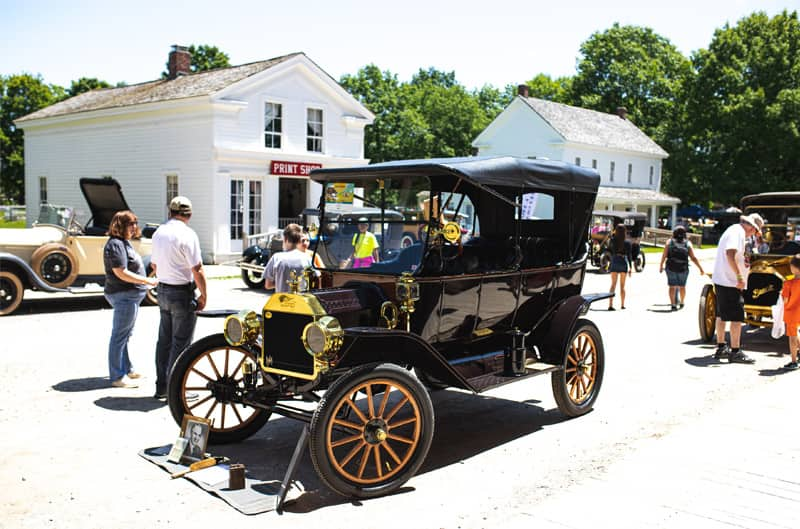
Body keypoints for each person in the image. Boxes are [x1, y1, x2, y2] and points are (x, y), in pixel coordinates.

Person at [151, 196, 207, 400]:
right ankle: (178, 389)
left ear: (170, 212)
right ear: (189, 214)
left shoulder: (159, 232)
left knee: (164, 340)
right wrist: (204, 294)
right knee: (181, 343)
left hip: (163, 289)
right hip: (181, 291)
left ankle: (162, 386)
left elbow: (154, 265)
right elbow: (197, 268)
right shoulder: (187, 234)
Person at [103, 211, 158, 388]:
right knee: (119, 336)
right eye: (130, 223)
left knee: (125, 335)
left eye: (135, 222)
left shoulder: (122, 243)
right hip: (124, 295)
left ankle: (127, 368)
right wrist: (146, 280)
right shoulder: (116, 244)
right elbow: (121, 272)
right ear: (120, 225)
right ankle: (117, 377)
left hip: (129, 296)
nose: (134, 227)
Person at [711, 213, 764, 363]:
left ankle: (721, 346)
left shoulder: (736, 231)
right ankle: (735, 351)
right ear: (751, 226)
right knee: (736, 318)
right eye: (755, 230)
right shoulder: (737, 233)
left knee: (721, 315)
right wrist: (740, 276)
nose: (754, 234)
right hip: (730, 281)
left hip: (725, 280)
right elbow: (730, 254)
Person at [659, 225, 705, 310]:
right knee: (682, 286)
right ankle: (682, 302)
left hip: (670, 268)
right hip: (683, 268)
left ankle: (673, 304)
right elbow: (693, 258)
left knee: (672, 286)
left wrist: (661, 265)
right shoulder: (688, 243)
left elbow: (664, 255)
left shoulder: (669, 242)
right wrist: (700, 269)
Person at [263, 223, 314, 292]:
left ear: (285, 239)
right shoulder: (307, 258)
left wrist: (282, 283)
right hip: (301, 301)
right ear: (299, 240)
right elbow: (316, 279)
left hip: (282, 300)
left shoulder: (276, 258)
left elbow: (268, 285)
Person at [781, 255, 800, 371]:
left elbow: (785, 300)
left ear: (794, 268)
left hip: (791, 312)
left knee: (792, 337)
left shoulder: (788, 283)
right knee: (797, 332)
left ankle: (794, 361)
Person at [607, 224, 632, 310]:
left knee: (613, 284)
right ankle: (622, 305)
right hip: (623, 262)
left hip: (614, 260)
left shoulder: (613, 240)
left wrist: (613, 233)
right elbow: (629, 255)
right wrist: (631, 267)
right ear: (625, 231)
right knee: (622, 286)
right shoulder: (627, 242)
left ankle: (610, 305)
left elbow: (609, 249)